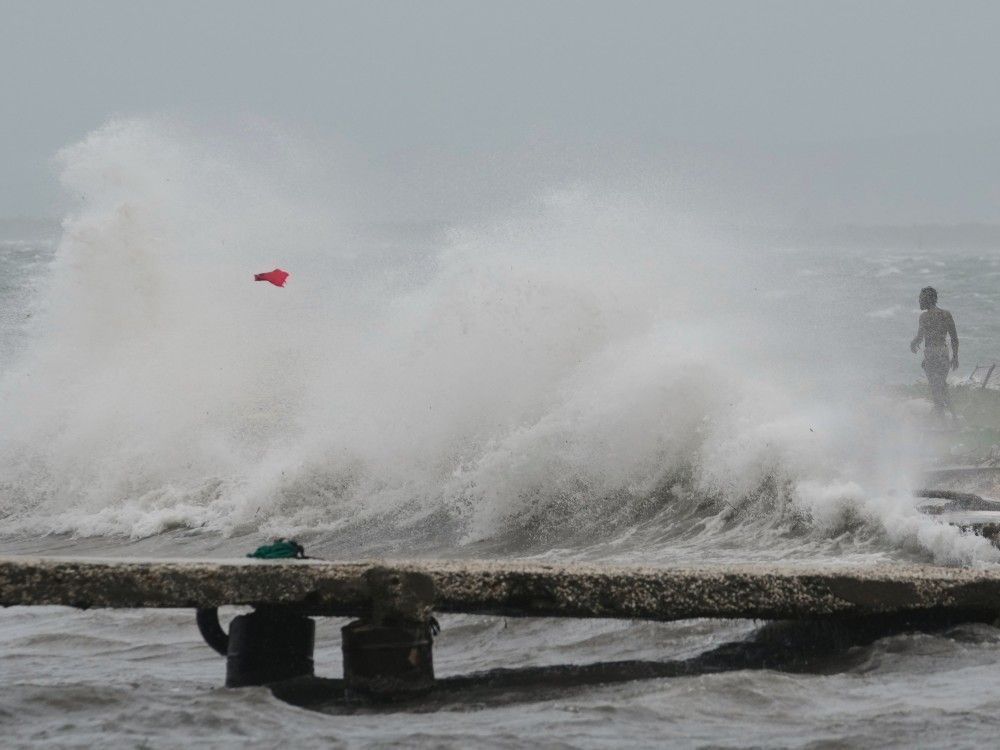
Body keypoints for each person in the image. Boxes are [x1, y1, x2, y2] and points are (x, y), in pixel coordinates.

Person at [910, 286, 959, 419]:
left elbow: (920, 337)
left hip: (931, 353)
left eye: (920, 299)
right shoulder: (946, 314)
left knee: (935, 388)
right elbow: (954, 338)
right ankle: (954, 417)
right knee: (942, 385)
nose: (919, 301)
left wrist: (912, 343)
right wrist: (955, 357)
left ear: (927, 300)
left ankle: (941, 420)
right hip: (943, 352)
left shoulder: (924, 316)